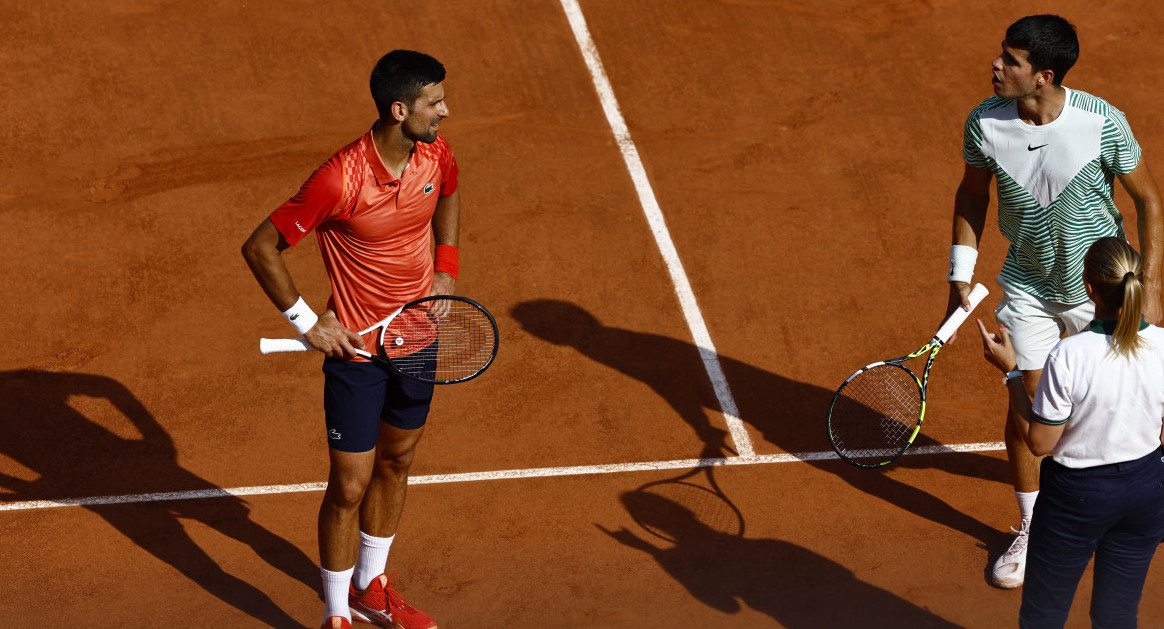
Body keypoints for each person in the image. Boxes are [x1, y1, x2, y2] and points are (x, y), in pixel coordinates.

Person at [241, 50, 459, 629]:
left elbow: (451, 191)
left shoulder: (434, 152)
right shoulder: (340, 179)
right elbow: (261, 247)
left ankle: (371, 586)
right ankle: (336, 615)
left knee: (398, 461)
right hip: (358, 353)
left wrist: (446, 266)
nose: (444, 110)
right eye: (433, 102)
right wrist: (307, 321)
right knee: (349, 484)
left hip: (419, 337)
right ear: (398, 108)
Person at [943, 14, 1163, 589]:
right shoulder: (984, 124)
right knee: (1029, 410)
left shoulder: (1101, 121)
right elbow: (971, 194)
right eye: (1001, 55)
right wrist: (957, 277)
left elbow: (1150, 202)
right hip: (1028, 285)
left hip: (1100, 287)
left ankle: (1128, 499)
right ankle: (1033, 526)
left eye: (1010, 61)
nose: (996, 66)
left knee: (1127, 402)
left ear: (1043, 75)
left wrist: (1153, 282)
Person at [976, 236, 1164, 628]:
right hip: (1148, 491)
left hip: (1077, 499)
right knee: (1117, 614)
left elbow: (1040, 442)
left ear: (1089, 287)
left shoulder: (1069, 354)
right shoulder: (1162, 345)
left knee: (1043, 615)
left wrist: (1011, 372)